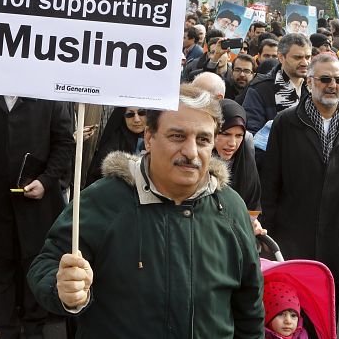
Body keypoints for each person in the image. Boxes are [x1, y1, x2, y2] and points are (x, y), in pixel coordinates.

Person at [27, 84, 264, 338]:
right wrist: (63, 287)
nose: (191, 152)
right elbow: (47, 264)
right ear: (149, 138)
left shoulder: (230, 207)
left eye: (203, 139)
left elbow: (249, 308)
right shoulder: (103, 200)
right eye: (177, 136)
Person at [261, 53, 339, 315]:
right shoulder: (286, 122)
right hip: (291, 238)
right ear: (309, 82)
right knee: (288, 316)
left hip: (335, 243)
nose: (333, 85)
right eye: (325, 79)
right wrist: (269, 228)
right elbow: (270, 178)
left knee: (326, 316)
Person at [0, 93, 73, 339]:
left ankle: (34, 329)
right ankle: (6, 329)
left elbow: (64, 143)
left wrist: (46, 180)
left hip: (37, 204)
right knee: (1, 268)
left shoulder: (48, 97)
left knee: (35, 266)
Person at [244, 33, 312, 134]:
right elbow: (253, 134)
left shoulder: (317, 86)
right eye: (297, 57)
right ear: (281, 57)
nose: (305, 63)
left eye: (308, 57)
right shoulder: (260, 90)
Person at [215, 98, 261, 210]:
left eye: (239, 136)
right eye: (225, 134)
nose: (232, 143)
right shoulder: (197, 164)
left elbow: (253, 207)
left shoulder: (247, 164)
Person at [86, 107, 147, 185]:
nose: (136, 119)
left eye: (141, 113)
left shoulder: (157, 140)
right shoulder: (112, 145)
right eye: (130, 114)